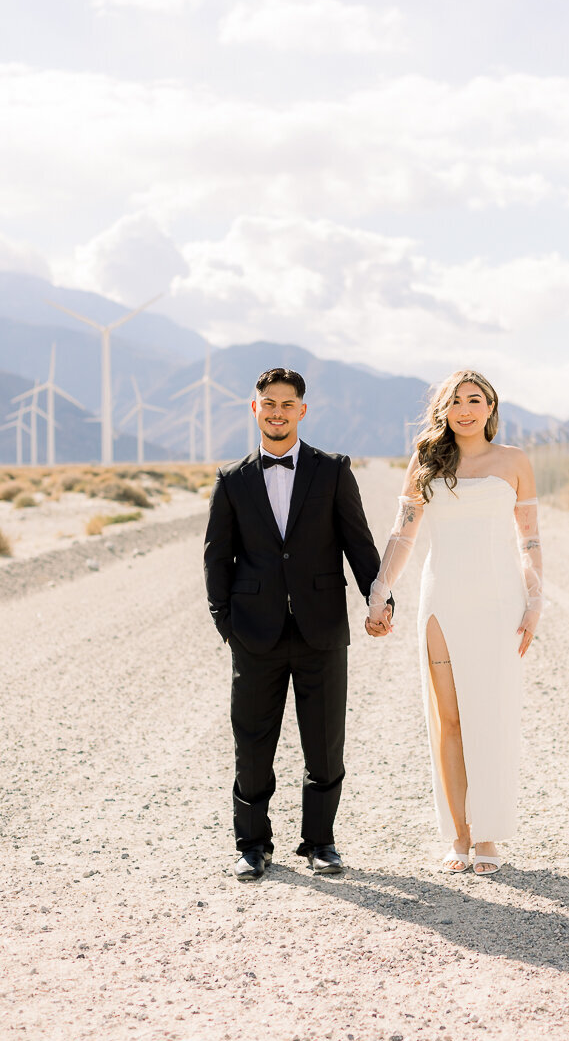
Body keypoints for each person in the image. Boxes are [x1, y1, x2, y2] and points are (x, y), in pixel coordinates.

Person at [204, 368, 390, 882]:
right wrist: (227, 623)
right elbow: (217, 558)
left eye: (288, 404)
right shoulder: (232, 479)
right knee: (253, 744)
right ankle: (252, 845)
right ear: (255, 408)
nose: (278, 412)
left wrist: (381, 599)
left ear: (302, 411)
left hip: (322, 630)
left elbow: (360, 544)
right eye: (269, 404)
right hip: (255, 634)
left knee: (325, 743)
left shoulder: (332, 470)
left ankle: (320, 842)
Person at [366, 370, 543, 876]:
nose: (465, 409)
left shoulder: (513, 462)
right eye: (455, 402)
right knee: (449, 719)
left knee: (491, 716)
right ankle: (459, 836)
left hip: (499, 602)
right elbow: (402, 536)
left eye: (475, 400)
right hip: (441, 598)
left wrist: (535, 601)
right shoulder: (426, 461)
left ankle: (488, 835)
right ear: (442, 410)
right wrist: (381, 591)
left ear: (491, 406)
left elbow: (529, 540)